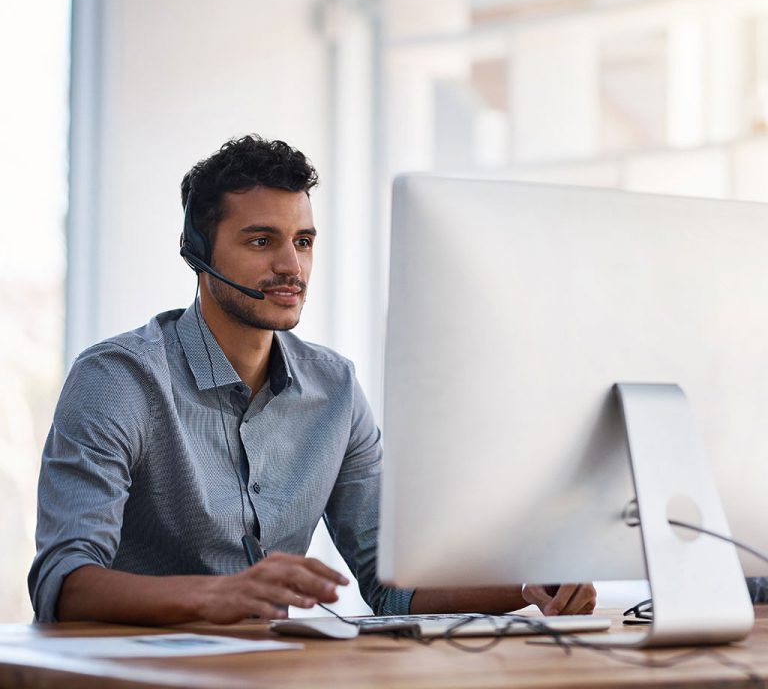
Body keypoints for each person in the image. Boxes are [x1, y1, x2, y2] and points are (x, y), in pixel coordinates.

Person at [29, 134, 597, 624]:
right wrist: (217, 595)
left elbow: (391, 585)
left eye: (302, 241)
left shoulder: (336, 390)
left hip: (270, 670)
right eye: (261, 241)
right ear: (197, 254)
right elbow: (63, 582)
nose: (291, 267)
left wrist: (524, 586)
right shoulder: (118, 379)